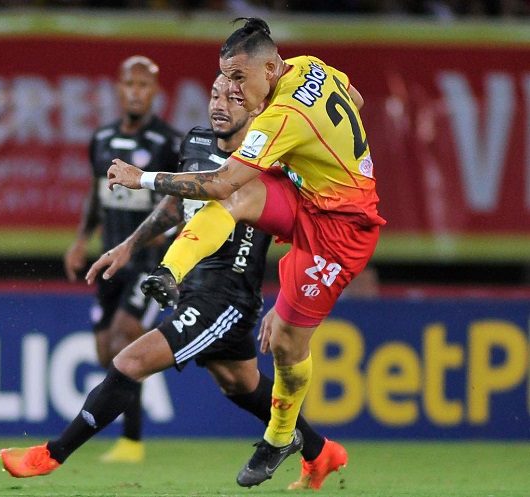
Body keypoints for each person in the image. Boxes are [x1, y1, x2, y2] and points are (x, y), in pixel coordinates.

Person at [0, 72, 348, 491]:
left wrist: (286, 303)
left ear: (257, 106)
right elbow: (176, 205)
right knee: (240, 384)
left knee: (129, 362)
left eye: (234, 98)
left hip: (226, 298)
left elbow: (308, 232)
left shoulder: (273, 162)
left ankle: (50, 456)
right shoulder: (196, 142)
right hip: (193, 286)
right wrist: (128, 244)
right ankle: (320, 451)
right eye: (216, 95)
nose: (221, 104)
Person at [106, 17, 385, 488]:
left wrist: (143, 179)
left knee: (286, 343)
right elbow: (354, 101)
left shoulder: (283, 118)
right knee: (236, 200)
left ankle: (280, 438)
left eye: (239, 77)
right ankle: (169, 272)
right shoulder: (308, 66)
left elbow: (216, 180)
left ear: (271, 69)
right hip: (309, 198)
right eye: (225, 76)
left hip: (341, 229)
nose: (230, 89)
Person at [62, 54, 182, 463]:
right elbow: (96, 195)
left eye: (144, 85)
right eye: (129, 84)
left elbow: (184, 201)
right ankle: (128, 434)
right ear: (118, 88)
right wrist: (81, 240)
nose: (135, 92)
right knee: (103, 353)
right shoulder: (101, 139)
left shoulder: (169, 142)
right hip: (110, 258)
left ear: (155, 93)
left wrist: (176, 248)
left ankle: (132, 442)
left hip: (148, 262)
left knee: (123, 336)